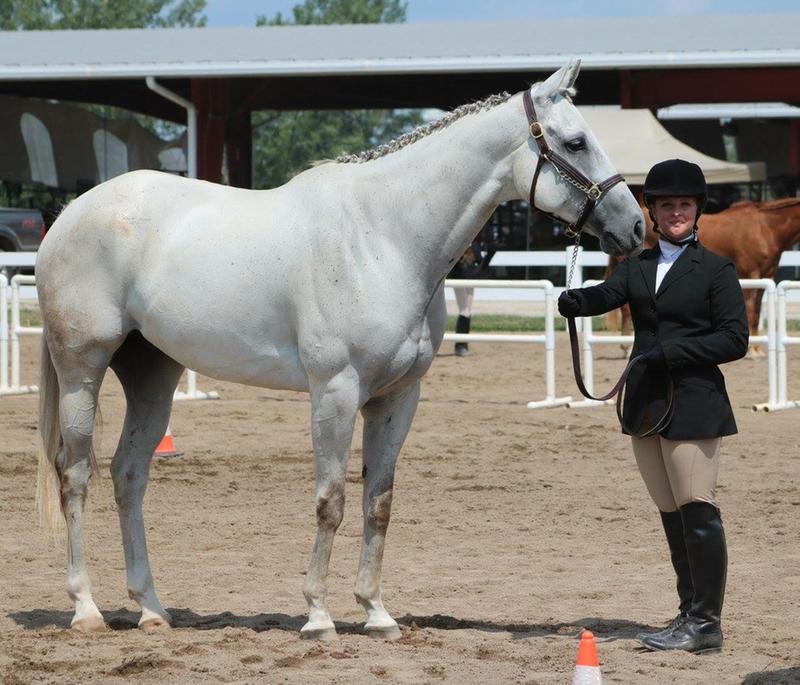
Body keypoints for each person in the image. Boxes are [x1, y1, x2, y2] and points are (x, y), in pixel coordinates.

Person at [558, 159, 748, 654]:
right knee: (670, 512)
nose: (677, 212)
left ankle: (706, 623)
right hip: (645, 406)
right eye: (668, 205)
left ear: (697, 210)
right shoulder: (636, 266)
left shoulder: (716, 270)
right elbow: (607, 296)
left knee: (697, 509)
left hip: (693, 402)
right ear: (654, 212)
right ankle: (687, 613)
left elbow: (734, 339)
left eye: (684, 204)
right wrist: (575, 301)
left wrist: (673, 352)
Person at [449, 239, 485, 357]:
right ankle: (460, 345)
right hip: (459, 279)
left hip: (470, 280)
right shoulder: (458, 243)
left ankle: (463, 344)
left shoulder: (474, 244)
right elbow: (453, 264)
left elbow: (480, 259)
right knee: (464, 310)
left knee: (467, 311)